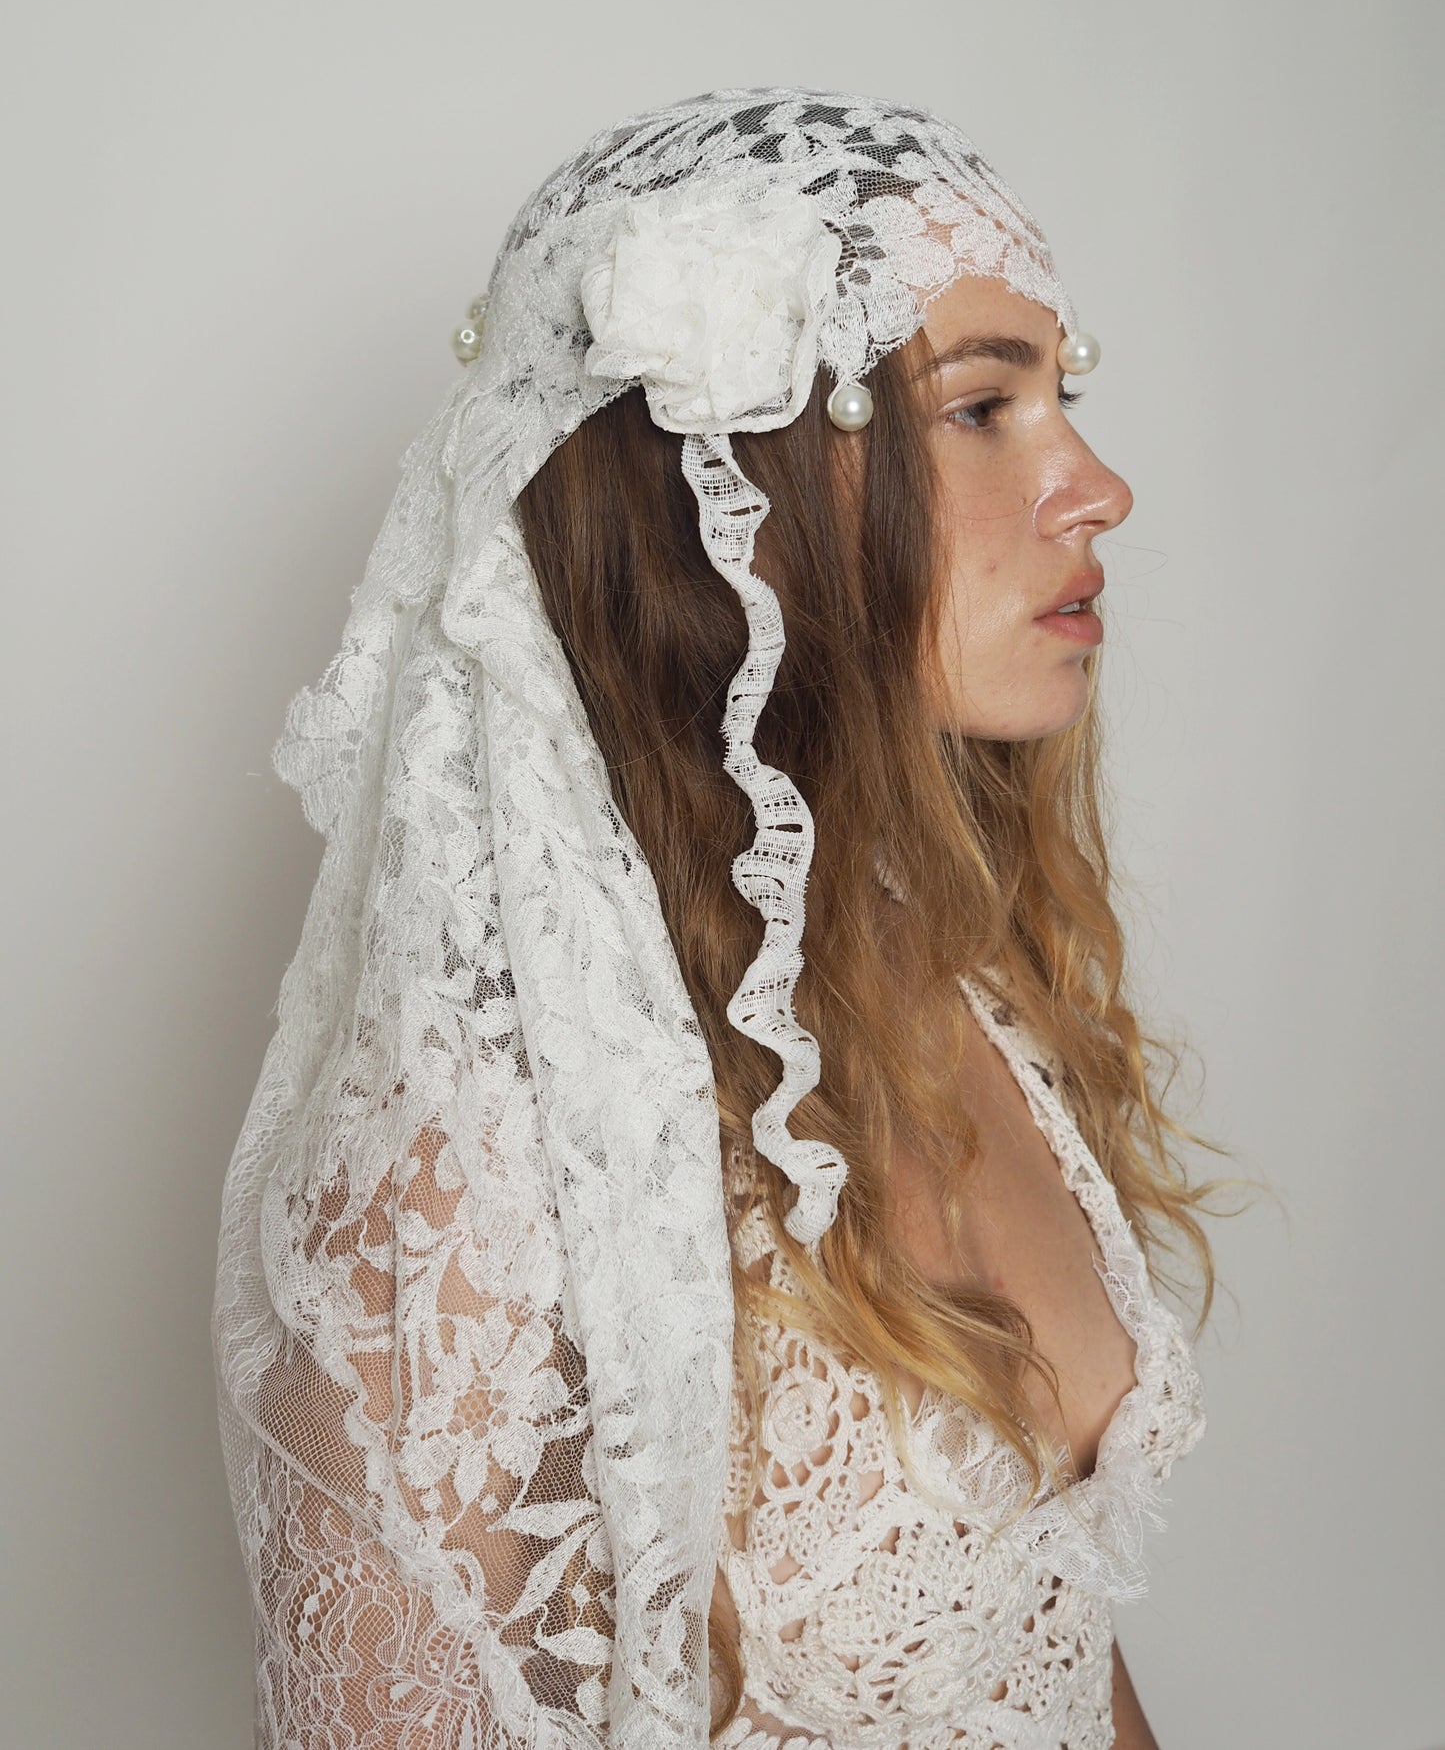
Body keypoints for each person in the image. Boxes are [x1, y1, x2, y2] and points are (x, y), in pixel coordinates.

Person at [214, 87, 1226, 1750]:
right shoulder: (455, 1190)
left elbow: (1044, 1639)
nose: (1094, 485)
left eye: (1063, 397)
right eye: (982, 407)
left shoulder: (958, 983)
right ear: (729, 496)